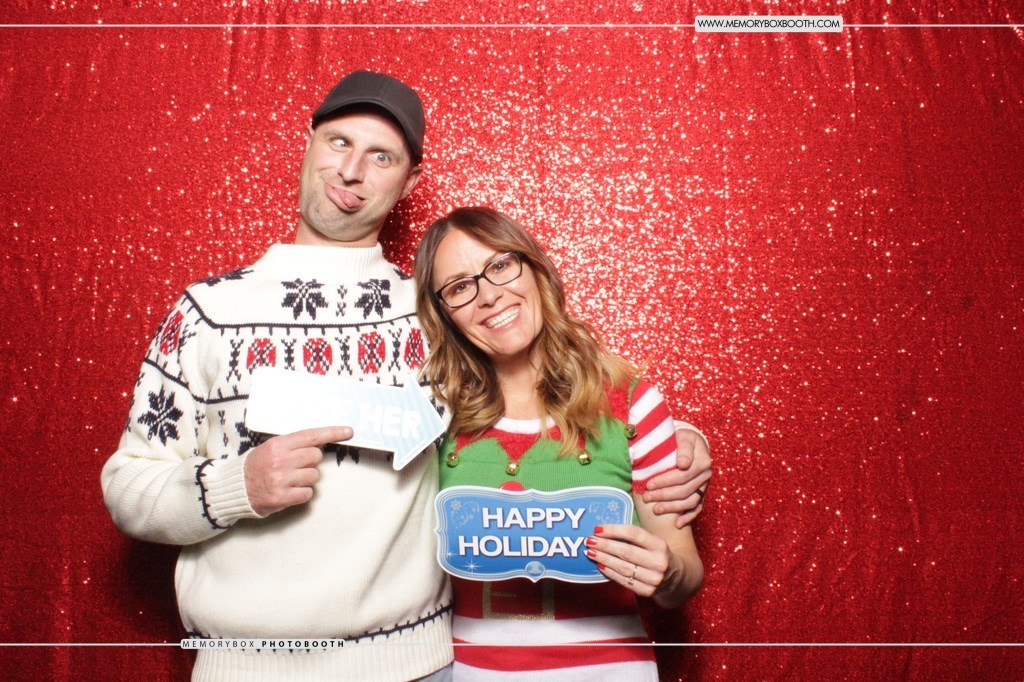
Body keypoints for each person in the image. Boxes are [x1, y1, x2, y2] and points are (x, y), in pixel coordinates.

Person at [101, 70, 710, 681]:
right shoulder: (207, 313)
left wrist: (675, 443)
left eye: (381, 156)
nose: (351, 170)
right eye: (340, 142)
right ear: (309, 141)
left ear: (409, 181)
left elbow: (536, 386)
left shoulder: (436, 313)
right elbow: (129, 487)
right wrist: (237, 486)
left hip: (416, 665)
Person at [414, 207, 704, 680]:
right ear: (442, 312)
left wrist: (667, 571)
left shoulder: (630, 401)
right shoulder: (434, 415)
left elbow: (684, 575)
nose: (488, 295)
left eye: (500, 265)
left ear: (535, 268)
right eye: (460, 287)